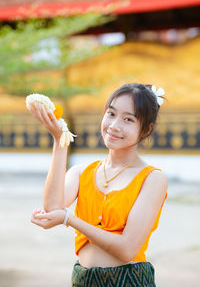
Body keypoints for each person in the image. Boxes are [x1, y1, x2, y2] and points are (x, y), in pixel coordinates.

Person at [30, 83, 168, 287]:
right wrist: (60, 141)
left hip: (129, 282)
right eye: (111, 113)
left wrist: (70, 219)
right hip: (83, 281)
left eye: (128, 119)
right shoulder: (81, 172)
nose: (114, 125)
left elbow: (126, 249)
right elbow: (52, 207)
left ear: (146, 129)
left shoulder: (152, 179)